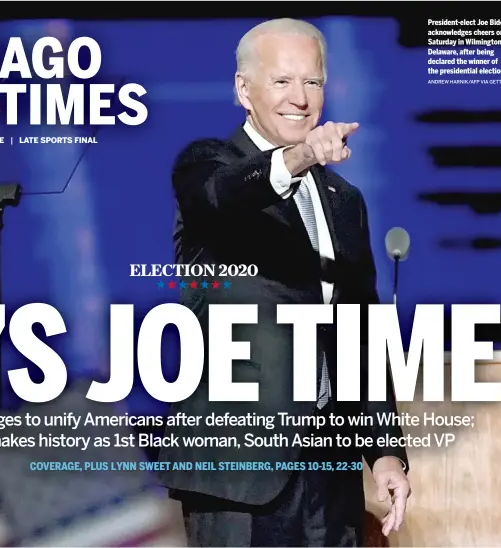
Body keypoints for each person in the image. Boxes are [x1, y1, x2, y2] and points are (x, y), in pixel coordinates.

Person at [158, 18, 412, 547]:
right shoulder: (206, 168)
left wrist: (384, 449)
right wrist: (301, 157)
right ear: (242, 90)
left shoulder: (345, 201)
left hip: (331, 471)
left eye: (312, 82)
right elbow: (222, 196)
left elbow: (360, 332)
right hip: (239, 473)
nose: (300, 98)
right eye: (281, 81)